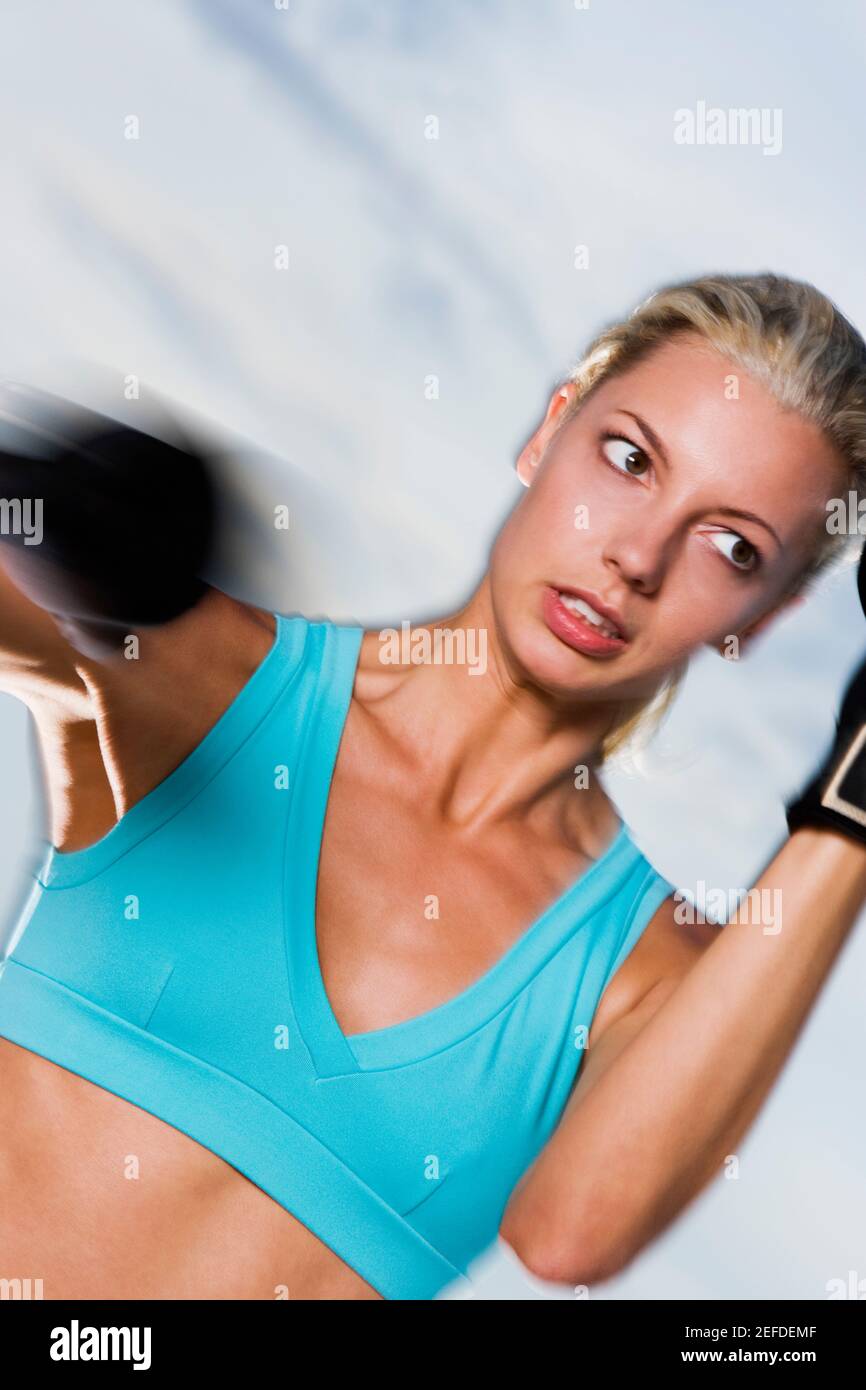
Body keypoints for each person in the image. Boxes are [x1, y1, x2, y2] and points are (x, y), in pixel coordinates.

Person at [1, 272, 866, 1301]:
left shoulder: (648, 976)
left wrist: (852, 806)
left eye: (731, 547)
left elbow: (570, 1236)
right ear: (548, 431)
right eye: (628, 459)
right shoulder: (212, 690)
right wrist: (41, 504)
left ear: (757, 619)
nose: (635, 556)